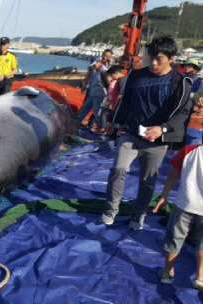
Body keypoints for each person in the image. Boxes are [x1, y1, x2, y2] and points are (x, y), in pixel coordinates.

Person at [101, 36, 194, 230]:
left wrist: (163, 128)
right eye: (151, 57)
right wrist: (113, 121)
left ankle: (139, 213)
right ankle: (112, 208)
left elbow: (183, 112)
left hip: (157, 140)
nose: (153, 63)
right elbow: (125, 102)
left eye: (159, 59)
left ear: (171, 58)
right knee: (119, 168)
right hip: (131, 133)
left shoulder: (179, 82)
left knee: (147, 180)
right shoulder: (136, 76)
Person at [153, 144, 203, 289]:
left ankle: (167, 273)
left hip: (185, 204)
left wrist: (164, 196)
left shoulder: (189, 150)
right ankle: (200, 276)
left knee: (175, 237)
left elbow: (173, 174)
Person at [77, 59, 109, 130]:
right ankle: (76, 123)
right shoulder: (96, 70)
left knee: (96, 113)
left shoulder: (103, 72)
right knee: (84, 108)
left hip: (99, 96)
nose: (93, 66)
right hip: (92, 94)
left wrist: (108, 96)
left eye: (94, 64)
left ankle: (101, 127)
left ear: (99, 62)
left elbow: (107, 84)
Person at [100, 65, 126, 136]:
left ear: (116, 73)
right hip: (115, 107)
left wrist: (115, 108)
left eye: (112, 75)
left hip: (118, 108)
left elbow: (120, 96)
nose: (112, 77)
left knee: (115, 124)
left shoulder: (122, 81)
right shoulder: (119, 80)